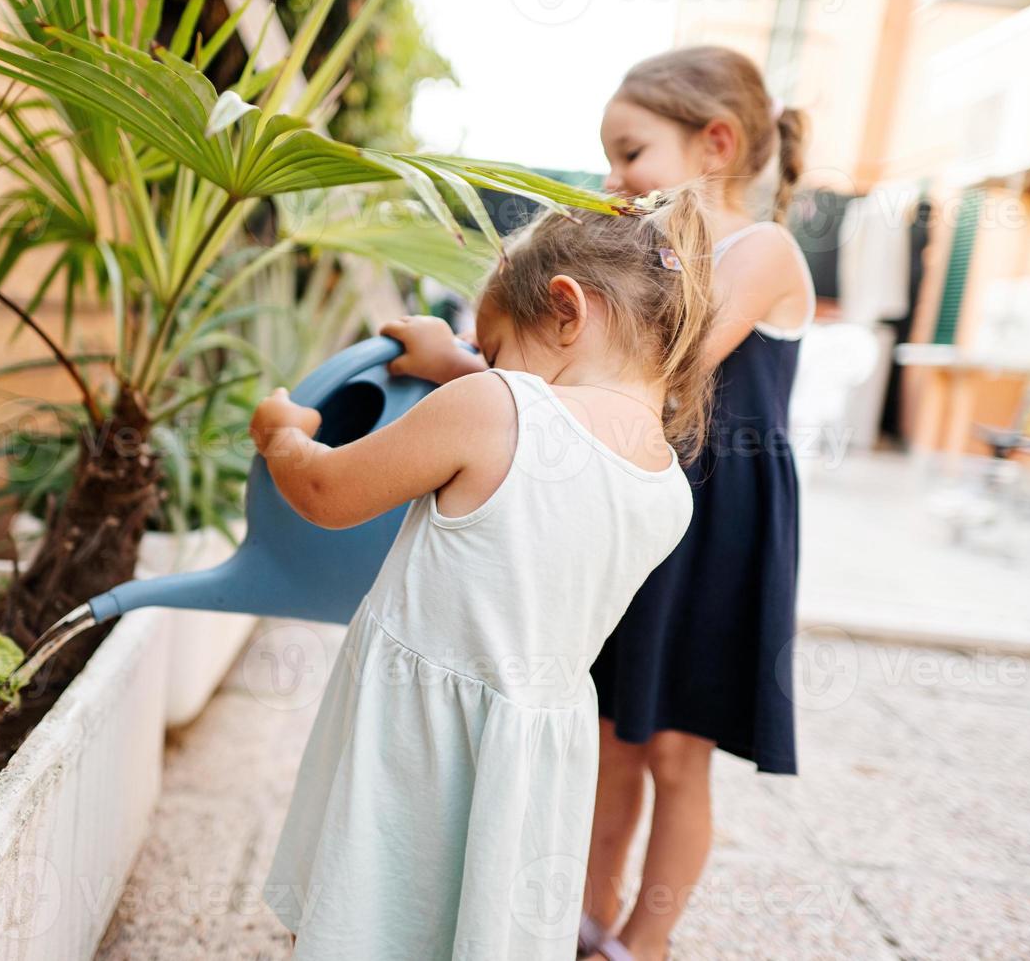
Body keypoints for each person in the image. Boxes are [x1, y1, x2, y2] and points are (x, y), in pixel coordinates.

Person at [251, 186, 714, 959]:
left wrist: (284, 437)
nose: (484, 367)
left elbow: (329, 494)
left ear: (567, 309)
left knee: (363, 906)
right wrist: (462, 363)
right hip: (533, 751)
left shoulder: (493, 407)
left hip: (415, 735)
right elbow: (552, 445)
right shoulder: (668, 486)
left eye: (490, 349)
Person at [574, 46, 818, 961]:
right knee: (612, 737)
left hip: (722, 524)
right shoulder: (649, 254)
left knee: (678, 750)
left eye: (631, 152)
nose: (613, 176)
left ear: (714, 142)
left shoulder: (762, 250)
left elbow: (671, 370)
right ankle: (584, 917)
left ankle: (647, 937)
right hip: (645, 514)